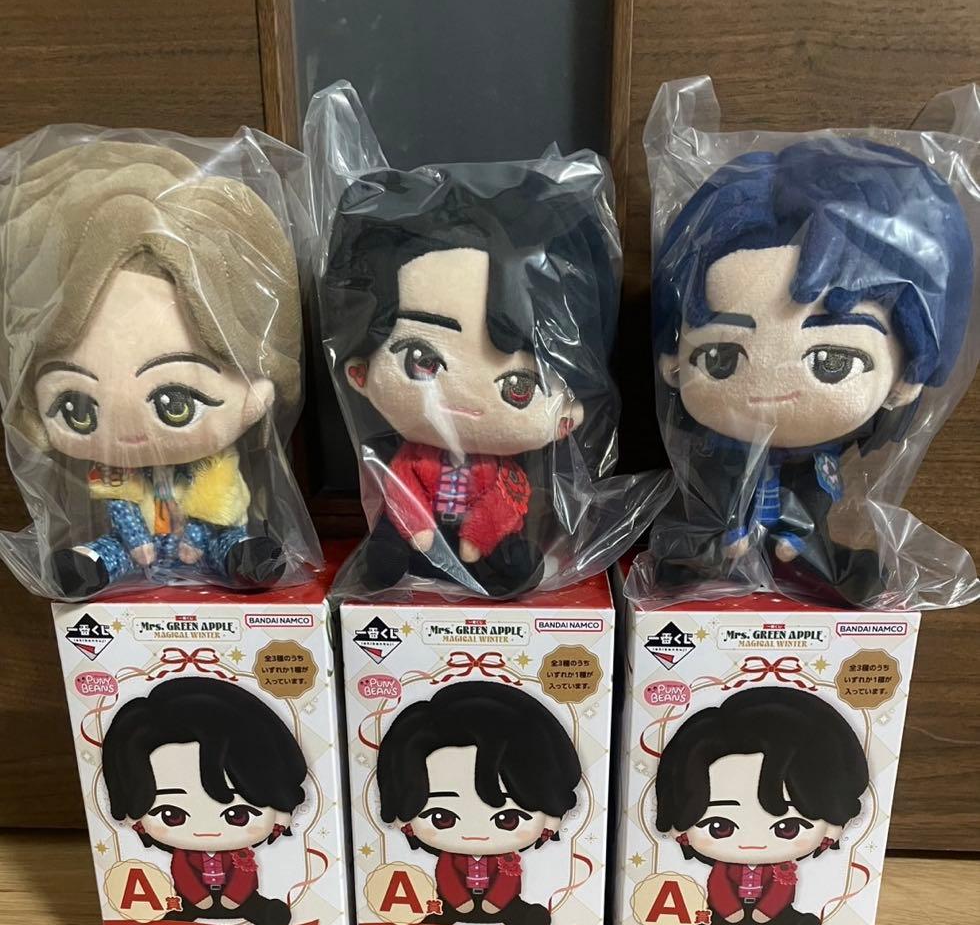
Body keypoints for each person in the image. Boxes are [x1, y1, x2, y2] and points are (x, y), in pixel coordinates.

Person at [650, 138, 973, 606]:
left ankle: (798, 551)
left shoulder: (820, 462)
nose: (770, 391)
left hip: (800, 539)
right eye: (720, 357)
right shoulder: (713, 454)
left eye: (833, 362)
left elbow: (819, 494)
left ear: (906, 371)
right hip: (720, 529)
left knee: (810, 514)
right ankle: (722, 550)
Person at [0, 140, 304, 597]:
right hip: (137, 545)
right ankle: (87, 568)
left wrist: (194, 540)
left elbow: (212, 509)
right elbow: (121, 510)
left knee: (229, 541)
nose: (129, 435)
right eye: (77, 408)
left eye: (175, 402)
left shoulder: (213, 464)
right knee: (109, 549)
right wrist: (139, 543)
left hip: (203, 540)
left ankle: (246, 560)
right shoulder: (116, 474)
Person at [321, 164, 620, 596]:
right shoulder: (412, 458)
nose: (462, 400)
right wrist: (419, 530)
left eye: (518, 386)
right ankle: (397, 555)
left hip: (478, 542)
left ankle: (500, 565)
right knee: (391, 539)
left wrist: (477, 536)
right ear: (360, 373)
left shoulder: (500, 471)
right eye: (421, 360)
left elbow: (505, 500)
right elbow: (402, 487)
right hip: (420, 537)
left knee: (508, 553)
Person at [654, 687, 869, 925]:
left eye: (787, 828)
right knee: (710, 918)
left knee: (788, 921)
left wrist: (766, 912)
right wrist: (730, 911)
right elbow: (719, 886)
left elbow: (781, 890)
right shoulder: (724, 868)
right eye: (719, 827)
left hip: (773, 913)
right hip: (726, 910)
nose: (752, 843)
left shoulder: (783, 869)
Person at [101, 678, 307, 925]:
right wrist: (199, 898)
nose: (206, 830)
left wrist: (234, 898)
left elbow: (244, 876)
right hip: (193, 899)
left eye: (238, 815)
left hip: (240, 899)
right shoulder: (184, 856)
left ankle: (261, 912)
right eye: (171, 815)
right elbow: (183, 874)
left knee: (255, 907)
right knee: (180, 908)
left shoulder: (242, 854)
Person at [376, 682, 581, 925]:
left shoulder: (507, 859)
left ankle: (522, 917)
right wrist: (459, 901)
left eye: (508, 819)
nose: (475, 833)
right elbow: (446, 876)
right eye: (441, 818)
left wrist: (496, 902)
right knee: (440, 912)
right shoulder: (450, 858)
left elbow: (508, 880)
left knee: (519, 913)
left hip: (502, 904)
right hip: (455, 902)